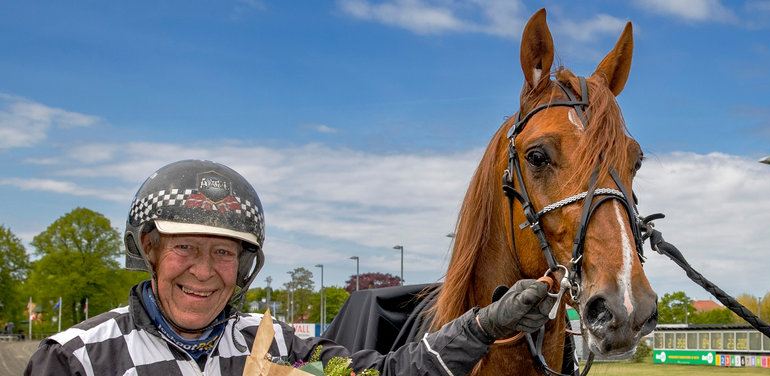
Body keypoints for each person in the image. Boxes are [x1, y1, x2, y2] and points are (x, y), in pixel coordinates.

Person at [25, 159, 554, 376]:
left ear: (245, 265)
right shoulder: (76, 360)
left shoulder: (276, 346)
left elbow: (386, 375)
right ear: (151, 250)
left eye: (224, 252)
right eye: (186, 247)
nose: (204, 271)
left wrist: (484, 326)